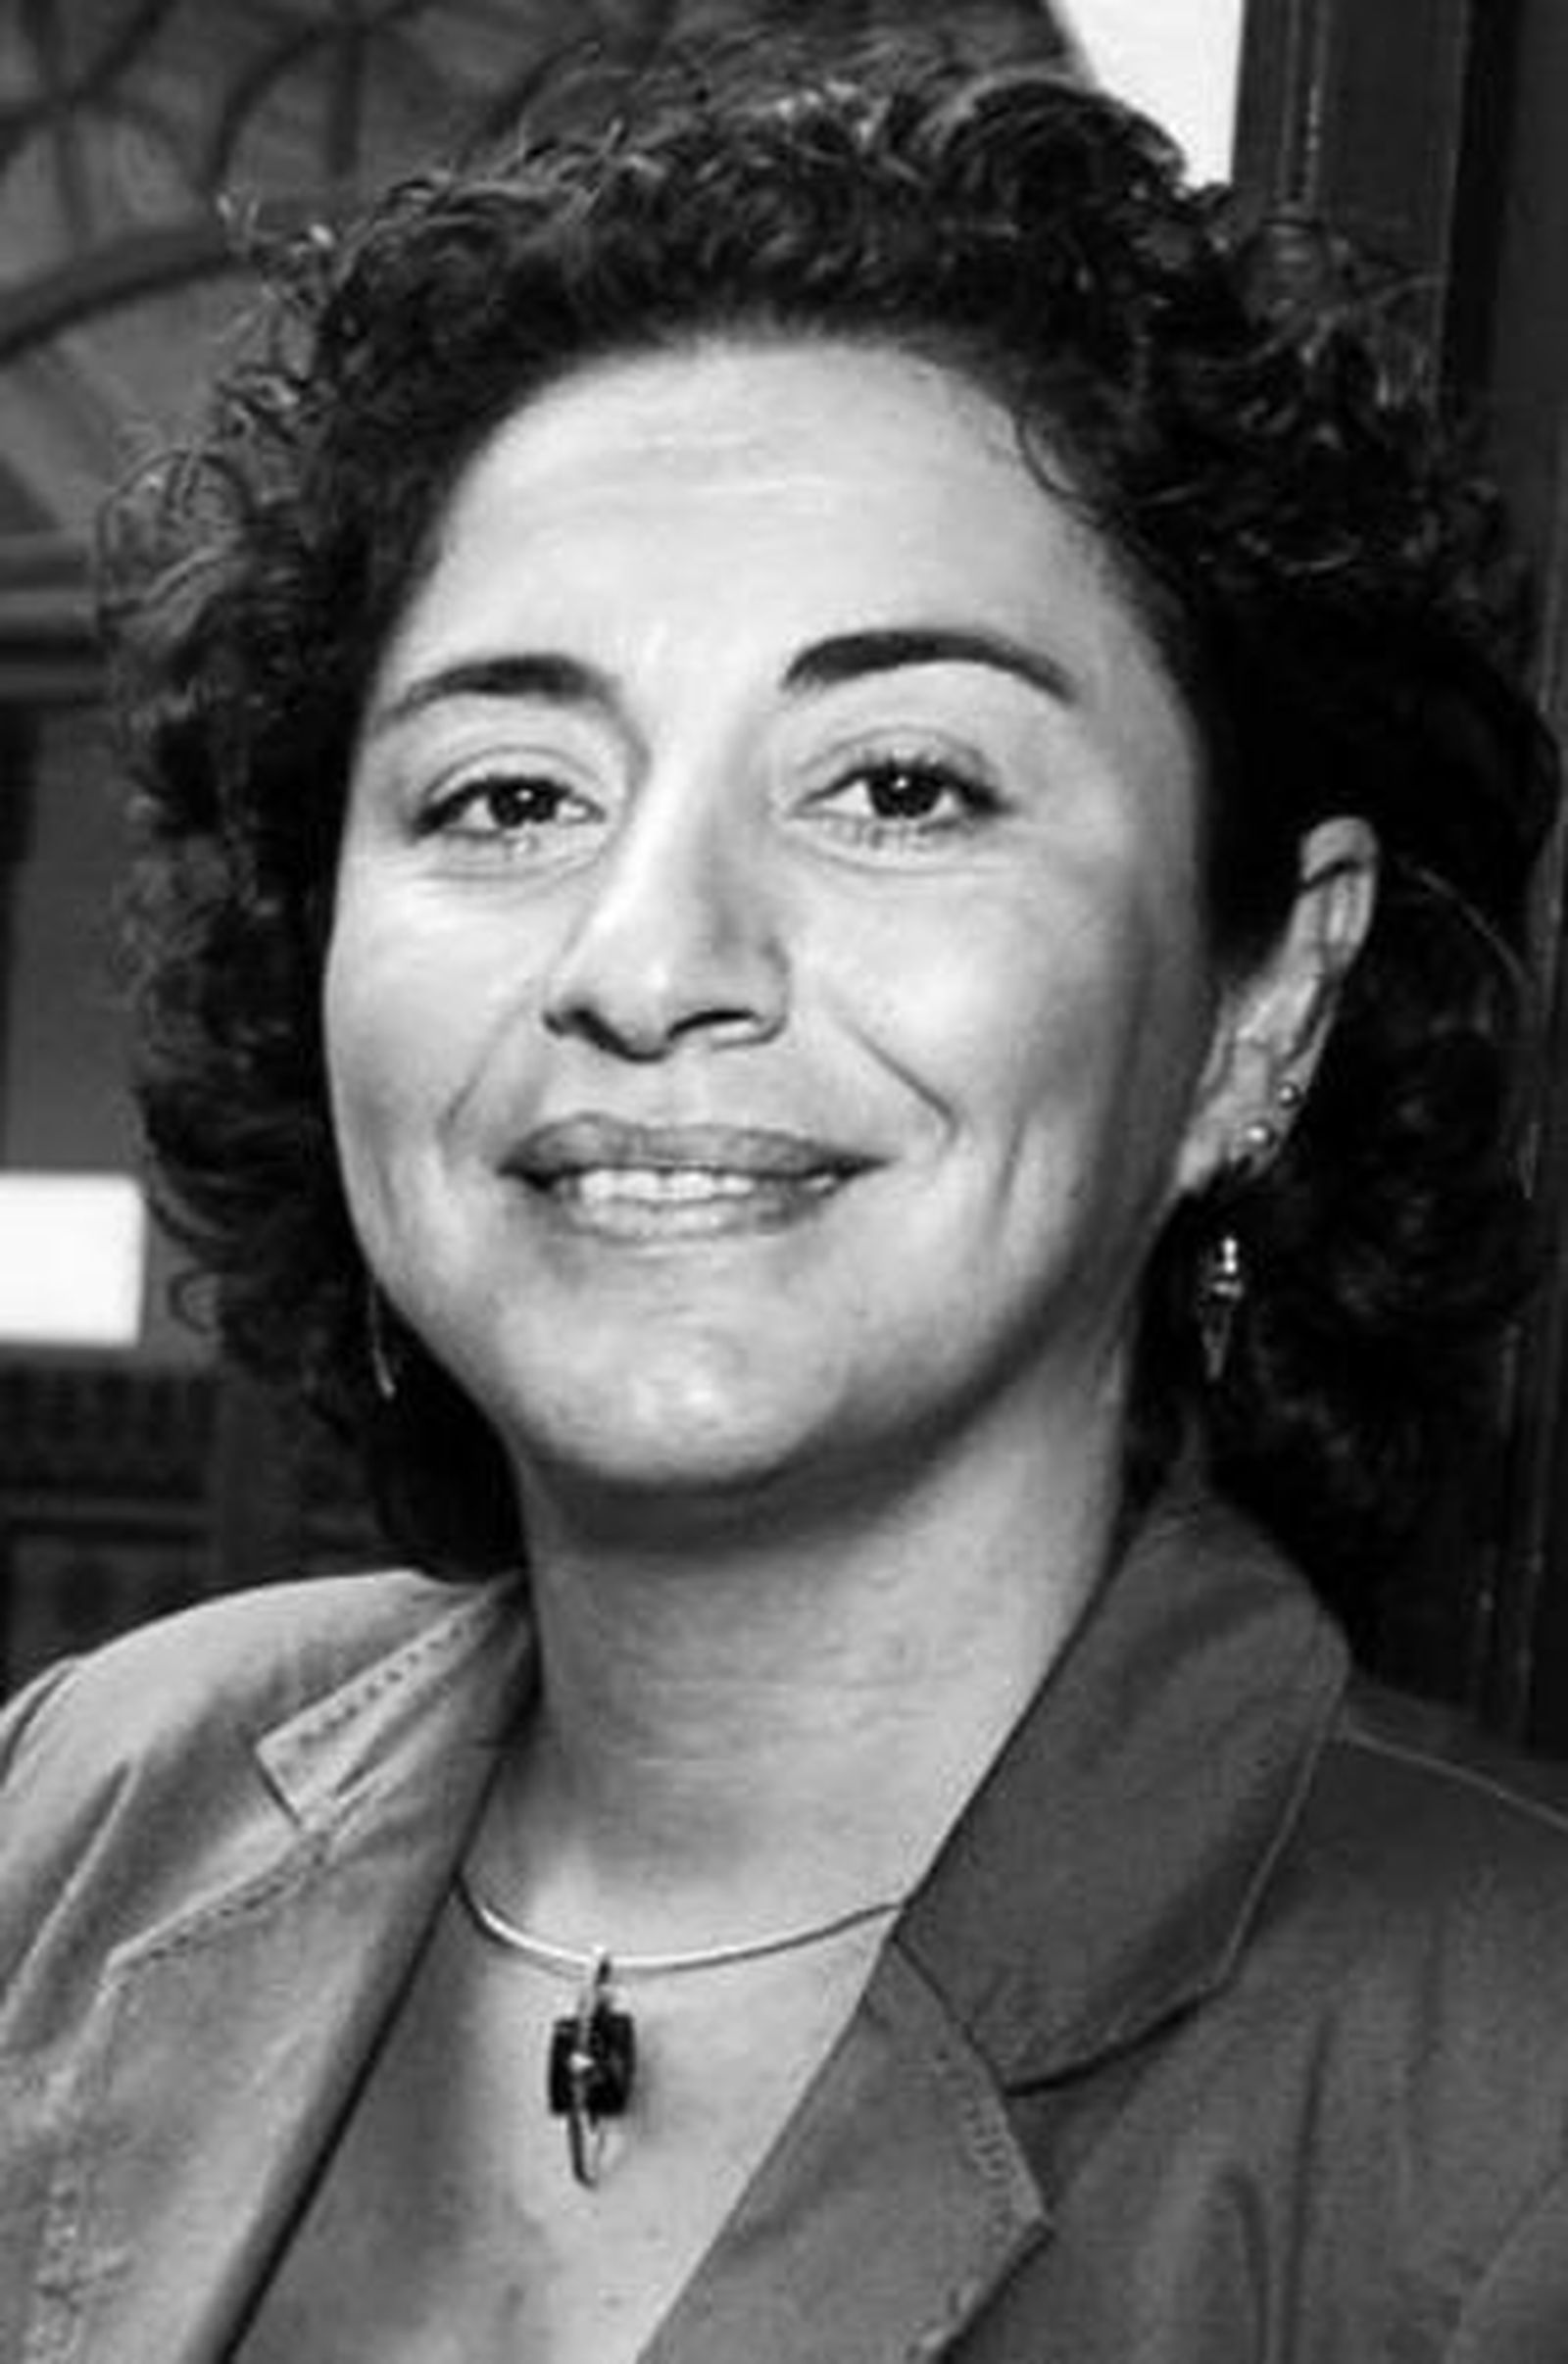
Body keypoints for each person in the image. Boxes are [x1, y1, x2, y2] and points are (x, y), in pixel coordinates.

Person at [2, 31, 1565, 2361]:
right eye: (508, 795)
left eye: (900, 785)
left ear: (1262, 1002)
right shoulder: (90, 1806)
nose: (645, 964)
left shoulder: (1509, 2101)